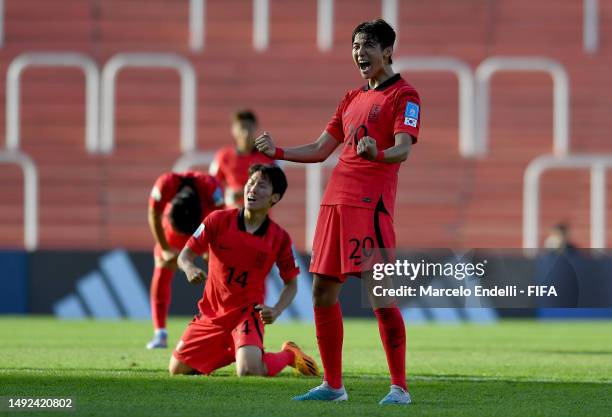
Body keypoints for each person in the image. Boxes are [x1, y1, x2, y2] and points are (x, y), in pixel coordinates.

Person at [255, 19, 421, 404]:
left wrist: (376, 153)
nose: (360, 53)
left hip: (371, 206)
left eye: (368, 46)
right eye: (355, 46)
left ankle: (399, 387)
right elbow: (320, 147)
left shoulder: (405, 95)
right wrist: (277, 153)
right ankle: (333, 386)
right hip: (335, 203)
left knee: (380, 294)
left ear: (387, 51)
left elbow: (403, 148)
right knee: (322, 291)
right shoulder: (350, 98)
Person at [170, 164, 319, 378]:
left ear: (274, 198)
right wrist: (190, 267)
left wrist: (276, 310)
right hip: (211, 315)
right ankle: (238, 350)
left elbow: (291, 284)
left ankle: (288, 355)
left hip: (247, 315)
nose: (252, 189)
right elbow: (185, 255)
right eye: (251, 183)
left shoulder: (279, 238)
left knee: (248, 371)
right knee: (177, 371)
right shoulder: (217, 220)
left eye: (261, 185)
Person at [146, 170, 225, 349]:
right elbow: (153, 214)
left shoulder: (211, 189)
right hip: (171, 232)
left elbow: (223, 221)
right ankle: (160, 333)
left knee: (221, 273)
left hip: (203, 232)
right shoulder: (165, 184)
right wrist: (165, 248)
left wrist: (209, 249)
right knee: (162, 268)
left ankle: (222, 328)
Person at [209, 109, 275, 208]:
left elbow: (276, 188)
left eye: (249, 127)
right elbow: (211, 186)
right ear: (233, 130)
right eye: (242, 127)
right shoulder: (223, 156)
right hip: (232, 216)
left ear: (255, 127)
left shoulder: (268, 156)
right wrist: (224, 198)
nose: (246, 132)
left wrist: (242, 193)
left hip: (260, 217)